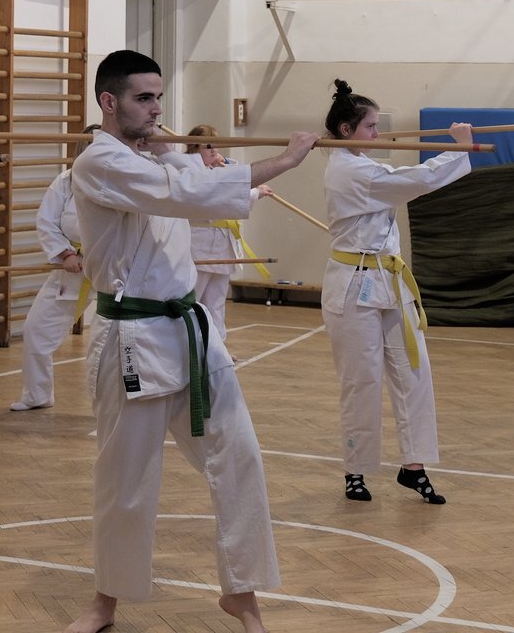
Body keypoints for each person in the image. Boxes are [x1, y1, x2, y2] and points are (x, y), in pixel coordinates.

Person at [65, 50, 319, 633]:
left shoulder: (155, 154)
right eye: (144, 98)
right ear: (109, 102)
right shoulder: (101, 163)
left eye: (159, 97)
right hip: (132, 337)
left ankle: (243, 595)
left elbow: (195, 180)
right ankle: (105, 602)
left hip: (192, 333)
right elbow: (187, 194)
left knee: (240, 459)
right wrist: (285, 160)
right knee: (126, 482)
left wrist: (187, 155)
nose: (158, 109)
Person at [321, 78, 471, 505]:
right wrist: (458, 148)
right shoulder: (350, 170)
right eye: (370, 126)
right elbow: (415, 179)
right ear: (346, 130)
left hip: (389, 281)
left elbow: (399, 177)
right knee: (361, 381)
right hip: (352, 288)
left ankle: (414, 465)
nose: (378, 133)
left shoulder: (364, 164)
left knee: (414, 371)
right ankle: (356, 468)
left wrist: (455, 151)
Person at [10, 124, 102, 411]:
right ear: (80, 152)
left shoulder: (124, 181)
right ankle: (37, 394)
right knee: (36, 329)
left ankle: (114, 405)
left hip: (118, 273)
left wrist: (104, 254)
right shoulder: (65, 181)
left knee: (109, 340)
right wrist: (65, 254)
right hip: (72, 268)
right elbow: (47, 221)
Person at [184, 124, 274, 342]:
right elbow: (221, 198)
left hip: (223, 244)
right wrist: (255, 193)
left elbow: (234, 182)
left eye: (216, 145)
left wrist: (225, 167)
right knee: (194, 300)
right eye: (208, 146)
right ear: (194, 149)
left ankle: (217, 348)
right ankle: (191, 347)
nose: (214, 150)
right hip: (200, 245)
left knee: (216, 302)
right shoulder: (190, 173)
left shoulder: (218, 170)